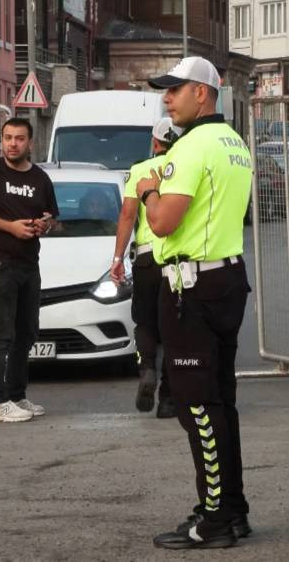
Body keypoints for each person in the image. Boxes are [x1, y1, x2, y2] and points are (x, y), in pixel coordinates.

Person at [136, 56, 253, 549]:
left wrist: (147, 192)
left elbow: (162, 223)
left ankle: (215, 519)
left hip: (192, 286)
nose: (167, 98)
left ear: (200, 93)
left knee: (197, 407)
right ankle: (231, 509)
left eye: (174, 89)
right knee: (220, 402)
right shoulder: (235, 143)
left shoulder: (192, 147)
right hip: (226, 278)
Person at [0, 117, 59, 423]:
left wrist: (44, 224)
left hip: (28, 263)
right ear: (1, 140)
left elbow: (53, 217)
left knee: (27, 331)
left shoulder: (40, 179)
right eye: (8, 138)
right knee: (2, 331)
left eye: (19, 138)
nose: (13, 143)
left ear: (30, 143)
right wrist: (11, 228)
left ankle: (17, 395)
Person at [111, 117, 183, 419]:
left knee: (145, 322)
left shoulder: (140, 170)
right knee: (174, 329)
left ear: (155, 143)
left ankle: (147, 369)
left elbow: (128, 216)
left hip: (146, 259)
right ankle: (168, 397)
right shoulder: (185, 166)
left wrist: (117, 259)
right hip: (178, 259)